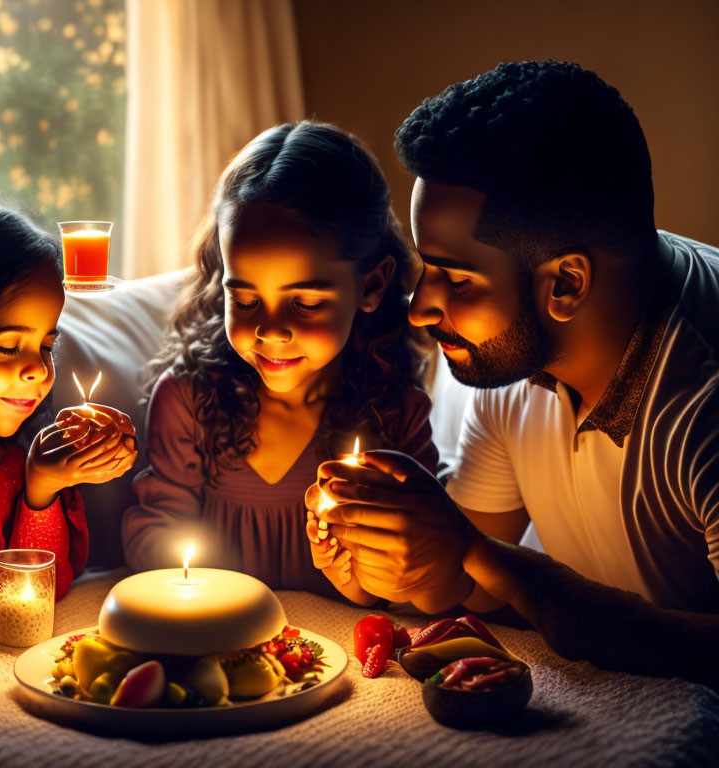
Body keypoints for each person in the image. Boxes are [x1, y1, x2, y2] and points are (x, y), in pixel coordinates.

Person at [307, 61, 719, 688]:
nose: (419, 306)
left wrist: (470, 548)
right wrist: (401, 565)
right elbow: (475, 583)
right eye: (426, 267)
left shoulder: (702, 400)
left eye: (457, 277)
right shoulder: (515, 357)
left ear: (567, 284)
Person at [122, 121, 437, 606]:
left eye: (305, 304)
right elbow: (152, 532)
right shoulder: (189, 400)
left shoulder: (395, 411)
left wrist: (364, 579)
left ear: (371, 286)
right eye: (245, 300)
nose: (270, 331)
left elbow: (419, 569)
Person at [0, 194, 138, 647]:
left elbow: (44, 591)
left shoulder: (17, 473)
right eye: (9, 345)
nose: (39, 369)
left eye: (47, 346)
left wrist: (42, 488)